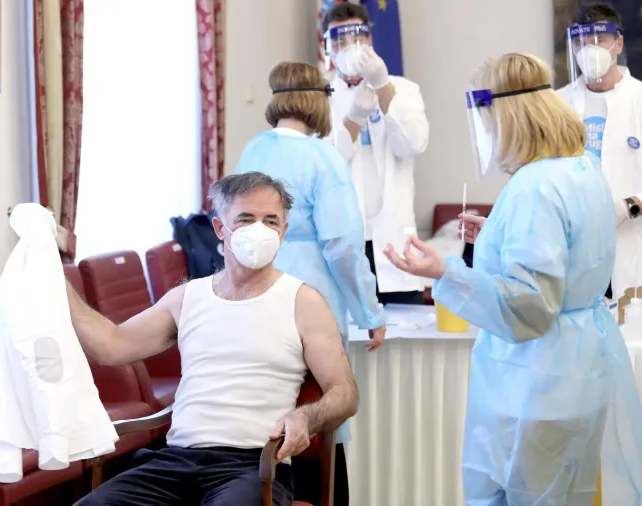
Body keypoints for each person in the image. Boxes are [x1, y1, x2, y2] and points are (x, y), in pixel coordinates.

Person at [385, 52, 642, 505]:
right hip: (578, 369)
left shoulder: (534, 187)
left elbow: (529, 306)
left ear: (508, 117)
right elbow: (569, 250)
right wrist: (498, 234)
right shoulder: (581, 168)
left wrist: (444, 272)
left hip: (538, 380)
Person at [71, 172, 359, 506]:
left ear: (283, 232)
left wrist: (307, 417)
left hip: (252, 467)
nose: (259, 231)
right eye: (246, 219)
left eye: (270, 221)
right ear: (221, 228)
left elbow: (345, 394)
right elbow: (110, 346)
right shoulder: (186, 298)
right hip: (174, 462)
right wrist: (53, 278)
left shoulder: (304, 303)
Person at [234, 61, 387, 505]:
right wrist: (370, 311)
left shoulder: (252, 151)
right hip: (309, 297)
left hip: (252, 295)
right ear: (320, 102)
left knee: (262, 414)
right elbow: (342, 245)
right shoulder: (323, 158)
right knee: (317, 412)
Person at [321, 2, 429, 305]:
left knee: (405, 328)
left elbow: (413, 144)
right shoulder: (319, 97)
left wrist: (383, 87)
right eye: (339, 40)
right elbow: (326, 163)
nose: (349, 47)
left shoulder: (404, 89)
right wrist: (354, 118)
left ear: (369, 40)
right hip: (344, 239)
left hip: (394, 240)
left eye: (357, 38)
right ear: (327, 47)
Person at [557, 3, 642, 300]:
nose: (590, 50)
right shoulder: (557, 105)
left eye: (599, 41)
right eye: (581, 43)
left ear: (618, 43)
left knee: (631, 324)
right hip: (575, 249)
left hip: (631, 247)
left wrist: (628, 207)